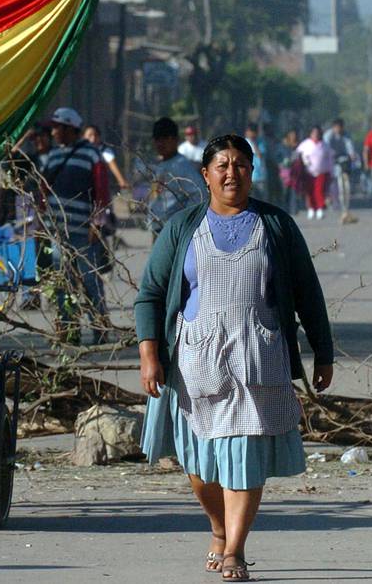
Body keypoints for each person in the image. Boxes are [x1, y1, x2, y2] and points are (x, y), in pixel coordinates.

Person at [136, 133, 333, 582]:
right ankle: (219, 528)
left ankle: (236, 552)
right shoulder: (182, 227)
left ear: (252, 171)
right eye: (222, 165)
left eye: (241, 164)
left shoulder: (277, 226)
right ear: (204, 175)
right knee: (200, 465)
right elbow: (149, 294)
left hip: (257, 356)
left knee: (243, 455)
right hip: (193, 362)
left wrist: (323, 352)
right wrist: (150, 355)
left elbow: (307, 291)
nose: (232, 173)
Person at [40, 107, 110, 337]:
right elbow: (43, 190)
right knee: (63, 283)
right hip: (57, 232)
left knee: (89, 280)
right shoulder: (53, 156)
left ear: (70, 128)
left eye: (57, 127)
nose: (53, 133)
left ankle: (100, 327)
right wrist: (41, 223)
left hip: (83, 231)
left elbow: (102, 192)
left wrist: (96, 224)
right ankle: (70, 329)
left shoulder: (92, 155)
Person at [147, 117, 207, 239]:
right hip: (158, 226)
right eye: (157, 139)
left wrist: (183, 222)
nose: (161, 143)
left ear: (175, 140)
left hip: (173, 230)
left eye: (166, 139)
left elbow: (199, 195)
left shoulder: (182, 166)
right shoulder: (161, 164)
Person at [323, 118, 358, 224]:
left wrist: (352, 155)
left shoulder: (346, 135)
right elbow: (326, 148)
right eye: (337, 127)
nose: (339, 129)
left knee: (345, 186)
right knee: (331, 186)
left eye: (340, 127)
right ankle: (330, 201)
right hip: (330, 162)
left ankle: (345, 208)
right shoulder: (328, 136)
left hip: (343, 162)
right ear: (333, 127)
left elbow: (350, 146)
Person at [296, 125, 333, 220]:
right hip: (308, 173)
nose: (316, 135)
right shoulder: (305, 144)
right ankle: (311, 209)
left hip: (321, 172)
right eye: (314, 133)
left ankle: (320, 208)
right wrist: (304, 161)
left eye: (317, 133)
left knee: (319, 191)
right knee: (309, 191)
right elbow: (298, 154)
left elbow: (329, 159)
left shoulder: (325, 145)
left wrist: (330, 171)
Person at [83, 124, 130, 191]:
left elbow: (112, 164)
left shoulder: (104, 150)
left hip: (98, 186)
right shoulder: (78, 150)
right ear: (83, 136)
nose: (93, 138)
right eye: (89, 135)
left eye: (96, 135)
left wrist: (121, 180)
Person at [244, 123, 268, 200]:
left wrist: (254, 143)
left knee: (261, 198)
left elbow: (260, 155)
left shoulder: (260, 142)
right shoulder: (244, 143)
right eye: (248, 131)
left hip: (260, 175)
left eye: (252, 132)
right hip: (248, 176)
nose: (250, 134)